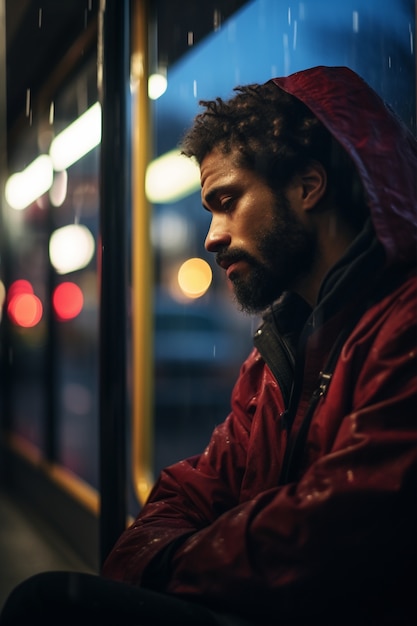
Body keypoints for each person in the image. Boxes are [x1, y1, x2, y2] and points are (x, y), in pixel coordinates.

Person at [1, 65, 416, 625]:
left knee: (45, 605)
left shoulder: (403, 327)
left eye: (227, 200)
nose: (212, 236)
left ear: (308, 187)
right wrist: (157, 555)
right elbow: (194, 488)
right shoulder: (278, 353)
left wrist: (169, 561)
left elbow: (338, 535)